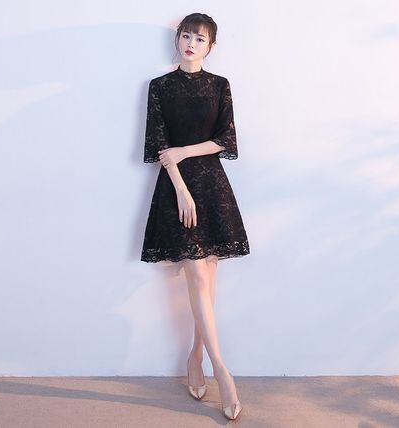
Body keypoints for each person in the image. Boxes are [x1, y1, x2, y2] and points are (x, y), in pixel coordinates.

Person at [140, 12, 250, 420]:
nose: (190, 44)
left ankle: (195, 356)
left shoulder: (220, 85)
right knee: (199, 278)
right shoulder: (160, 87)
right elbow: (159, 146)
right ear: (178, 39)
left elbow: (226, 140)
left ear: (211, 46)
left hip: (213, 187)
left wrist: (185, 151)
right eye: (186, 36)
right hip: (177, 191)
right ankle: (222, 372)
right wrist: (181, 187)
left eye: (199, 39)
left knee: (208, 279)